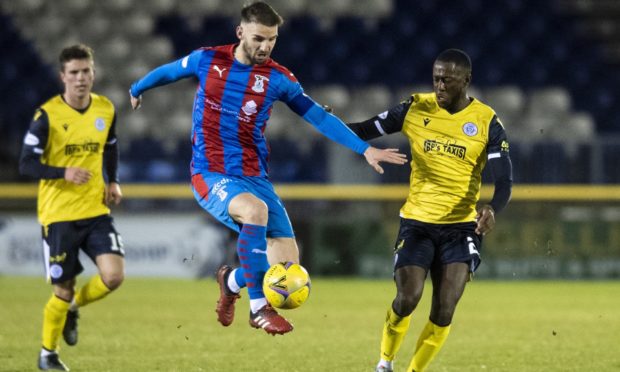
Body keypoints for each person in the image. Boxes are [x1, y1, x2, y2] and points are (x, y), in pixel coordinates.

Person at [129, 1, 407, 336]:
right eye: (259, 38)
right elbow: (170, 71)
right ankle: (259, 308)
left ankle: (231, 282)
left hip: (254, 176)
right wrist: (137, 87)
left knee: (286, 268)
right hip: (210, 172)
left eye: (272, 40)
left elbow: (317, 115)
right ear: (240, 32)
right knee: (255, 212)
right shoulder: (208, 60)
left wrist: (363, 149)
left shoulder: (278, 78)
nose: (266, 46)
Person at [345, 49, 513, 372]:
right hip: (417, 223)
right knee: (408, 298)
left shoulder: (486, 122)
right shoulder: (415, 107)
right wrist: (326, 123)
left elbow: (504, 177)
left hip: (462, 228)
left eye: (447, 80)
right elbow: (366, 128)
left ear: (466, 80)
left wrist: (493, 207)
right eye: (435, 78)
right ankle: (385, 362)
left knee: (445, 309)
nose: (439, 85)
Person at [19, 44, 125, 371]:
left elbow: (110, 146)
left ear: (93, 73)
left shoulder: (105, 108)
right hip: (58, 216)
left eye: (86, 72)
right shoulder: (47, 116)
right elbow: (26, 164)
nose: (81, 79)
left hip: (95, 210)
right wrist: (62, 172)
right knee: (61, 290)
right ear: (63, 76)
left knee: (113, 276)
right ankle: (47, 354)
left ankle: (73, 308)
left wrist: (112, 180)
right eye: (74, 73)